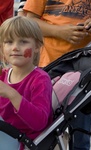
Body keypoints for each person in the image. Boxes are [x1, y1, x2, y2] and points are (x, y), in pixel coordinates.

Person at [22, 0, 91, 149]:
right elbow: (29, 21)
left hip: (85, 66)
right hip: (49, 63)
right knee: (44, 123)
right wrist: (59, 32)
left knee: (81, 127)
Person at [0, 16, 53, 150]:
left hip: (21, 142)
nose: (15, 47)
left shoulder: (40, 80)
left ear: (37, 47)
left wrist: (12, 94)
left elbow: (39, 122)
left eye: (23, 42)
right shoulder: (4, 75)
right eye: (9, 42)